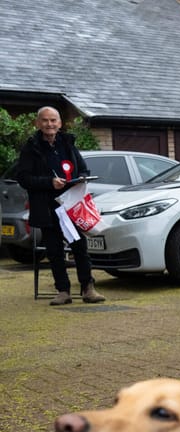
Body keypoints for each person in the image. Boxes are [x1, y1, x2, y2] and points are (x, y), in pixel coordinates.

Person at [14, 106, 106, 306]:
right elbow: (23, 178)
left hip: (71, 206)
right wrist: (49, 182)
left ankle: (88, 288)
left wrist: (81, 178)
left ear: (60, 123)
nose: (50, 124)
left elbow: (82, 168)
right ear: (38, 123)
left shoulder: (67, 142)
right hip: (47, 208)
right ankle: (63, 291)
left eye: (53, 120)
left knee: (80, 247)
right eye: (45, 121)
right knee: (54, 251)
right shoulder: (31, 147)